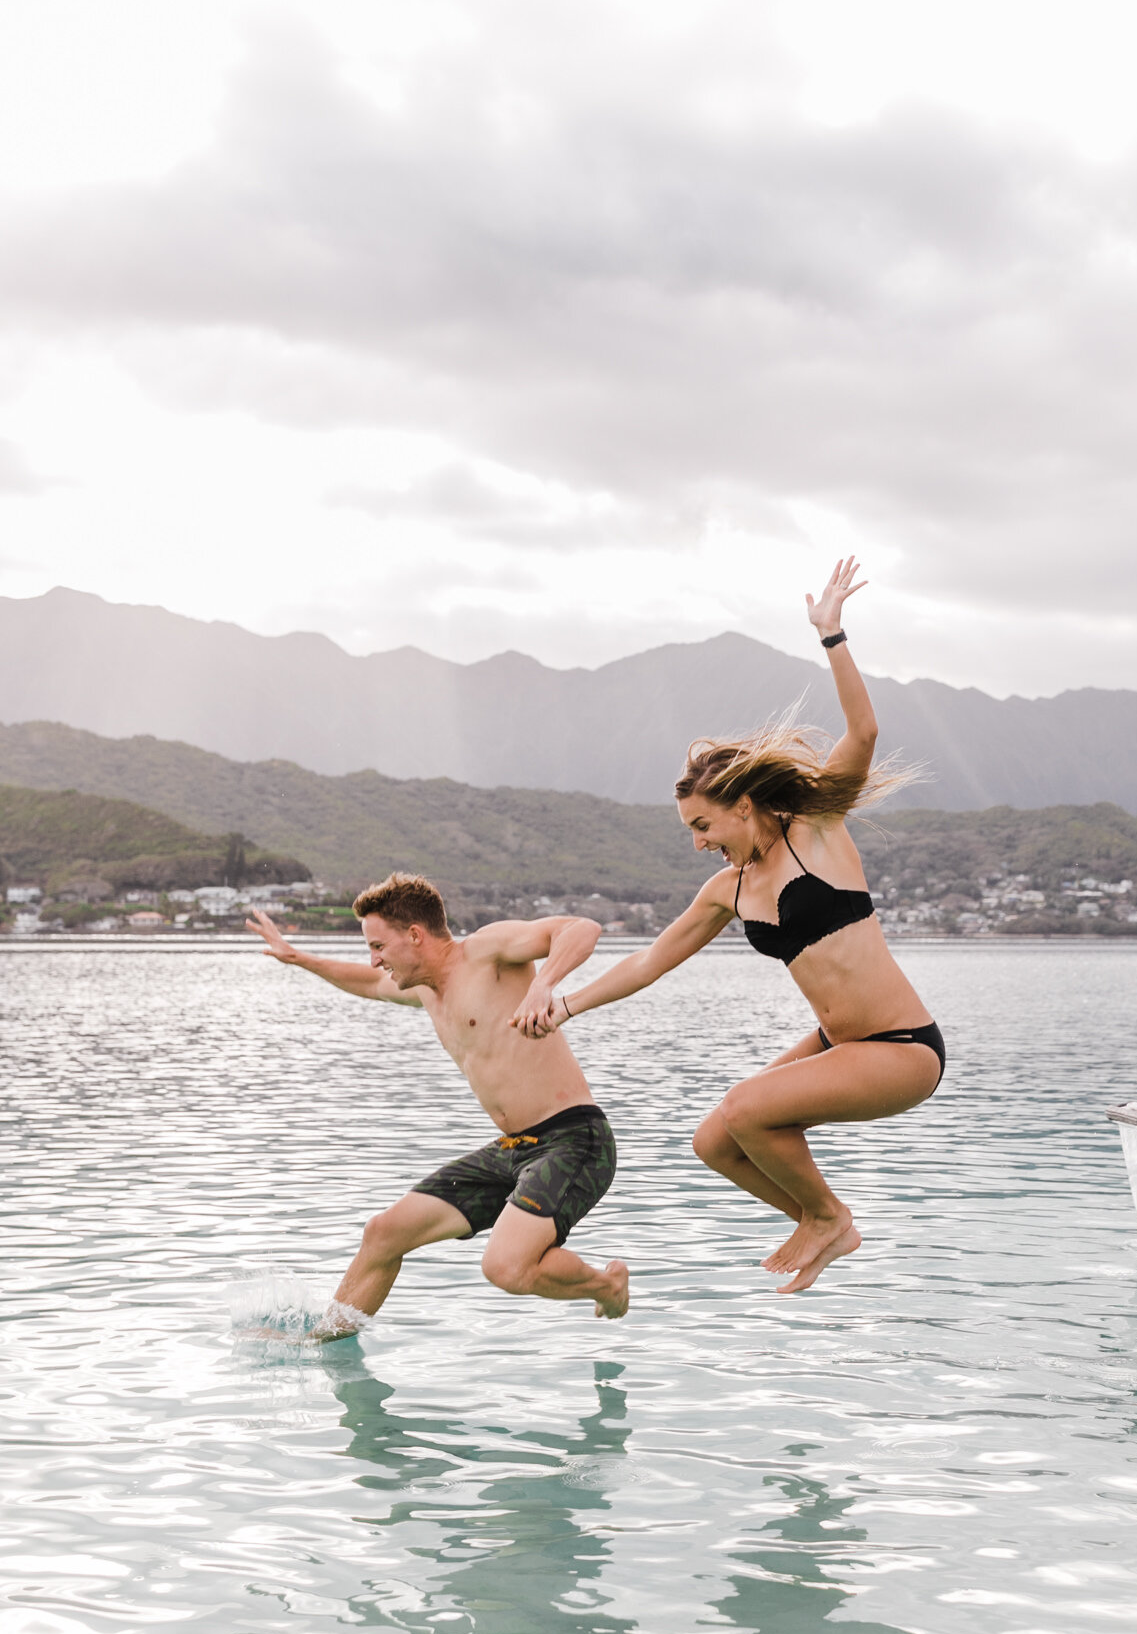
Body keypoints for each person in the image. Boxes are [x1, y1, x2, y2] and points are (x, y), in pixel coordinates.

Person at [512, 559, 943, 1295]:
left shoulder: (817, 831)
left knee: (747, 1109)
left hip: (900, 1050)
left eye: (702, 824)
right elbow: (648, 961)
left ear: (743, 805)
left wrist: (832, 634)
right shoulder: (726, 890)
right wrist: (565, 1004)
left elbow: (863, 731)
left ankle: (828, 1218)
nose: (697, 841)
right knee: (715, 1138)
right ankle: (821, 1221)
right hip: (839, 1043)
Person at [247, 874, 628, 1328]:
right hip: (513, 1149)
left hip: (575, 1139)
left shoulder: (486, 952)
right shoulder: (427, 991)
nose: (374, 960)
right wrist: (297, 957)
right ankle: (327, 1341)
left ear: (414, 934)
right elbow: (366, 983)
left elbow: (581, 929)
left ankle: (606, 1286)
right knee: (383, 1233)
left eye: (379, 947)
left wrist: (543, 984)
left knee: (505, 1266)